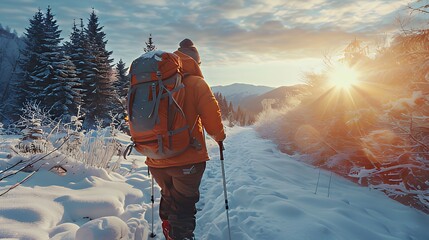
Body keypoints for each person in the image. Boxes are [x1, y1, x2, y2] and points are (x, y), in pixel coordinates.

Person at [146, 39, 226, 240]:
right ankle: (179, 235)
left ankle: (168, 231)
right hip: (187, 158)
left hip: (156, 157)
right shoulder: (197, 83)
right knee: (183, 205)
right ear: (196, 62)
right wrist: (219, 137)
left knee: (169, 195)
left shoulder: (156, 81)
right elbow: (212, 116)